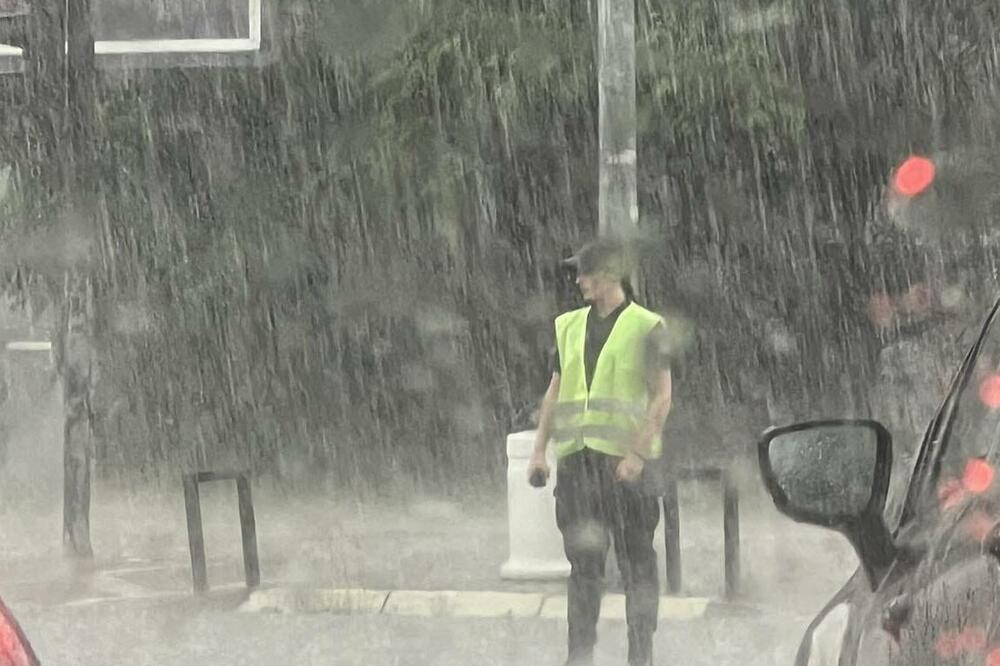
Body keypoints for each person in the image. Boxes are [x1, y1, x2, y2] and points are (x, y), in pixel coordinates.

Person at [527, 236, 673, 666]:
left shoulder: (649, 327)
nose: (578, 281)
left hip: (628, 471)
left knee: (637, 570)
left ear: (611, 274)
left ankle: (640, 657)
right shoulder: (568, 325)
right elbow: (554, 391)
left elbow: (661, 397)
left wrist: (637, 455)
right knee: (584, 571)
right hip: (579, 468)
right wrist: (540, 451)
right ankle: (579, 657)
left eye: (585, 272)